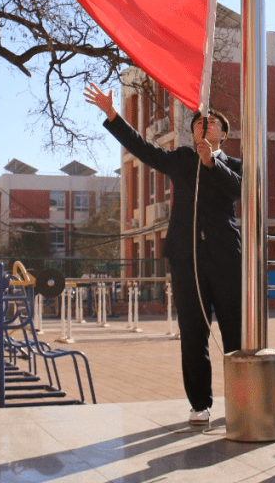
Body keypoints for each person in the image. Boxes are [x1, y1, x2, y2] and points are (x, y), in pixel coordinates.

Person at [83, 83, 242, 426]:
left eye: (211, 121)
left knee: (234, 333)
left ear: (224, 134)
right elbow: (145, 150)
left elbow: (236, 190)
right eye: (199, 120)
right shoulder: (182, 160)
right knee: (193, 333)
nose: (204, 123)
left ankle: (243, 402)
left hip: (225, 258)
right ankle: (200, 404)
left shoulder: (236, 165)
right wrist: (113, 115)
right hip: (186, 257)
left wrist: (211, 162)